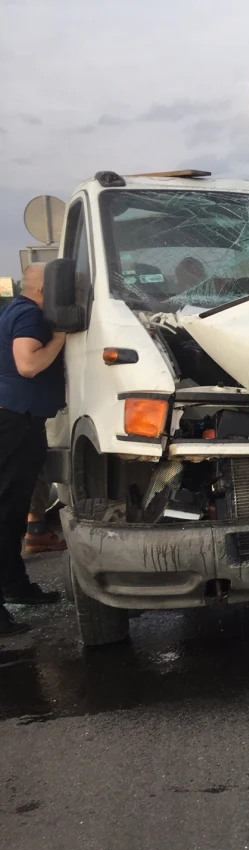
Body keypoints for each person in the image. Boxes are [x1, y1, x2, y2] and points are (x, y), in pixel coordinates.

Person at [0, 263, 67, 636]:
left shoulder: (13, 309)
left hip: (19, 421)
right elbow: (27, 364)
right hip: (15, 423)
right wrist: (59, 339)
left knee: (10, 514)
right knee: (5, 513)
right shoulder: (31, 316)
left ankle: (15, 586)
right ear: (46, 289)